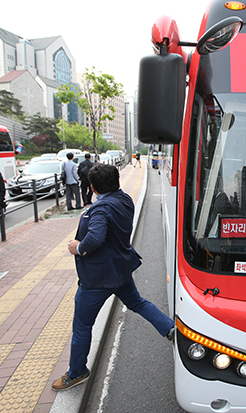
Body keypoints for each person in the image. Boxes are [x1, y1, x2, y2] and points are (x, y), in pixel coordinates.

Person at [52, 164, 174, 391]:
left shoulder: (100, 209)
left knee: (82, 326)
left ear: (92, 188)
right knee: (137, 302)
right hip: (120, 270)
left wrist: (78, 247)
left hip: (97, 280)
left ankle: (77, 372)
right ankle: (169, 328)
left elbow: (96, 238)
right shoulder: (124, 199)